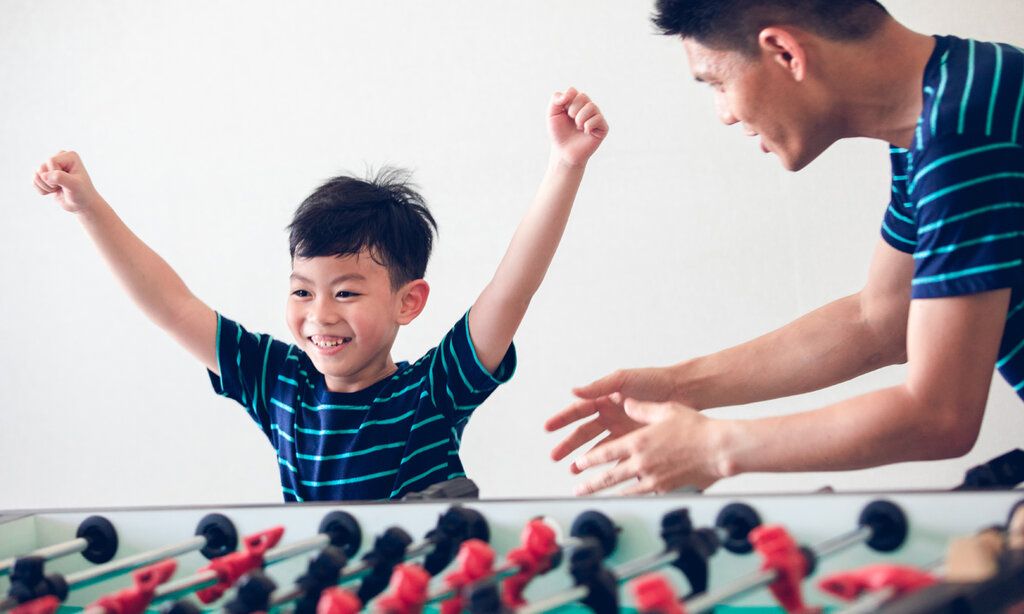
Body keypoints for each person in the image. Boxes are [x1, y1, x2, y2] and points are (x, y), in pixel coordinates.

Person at [34, 87, 608, 502]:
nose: (319, 315)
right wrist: (90, 208)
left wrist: (564, 164)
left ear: (408, 301)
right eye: (302, 291)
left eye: (347, 292)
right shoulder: (279, 383)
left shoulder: (431, 393)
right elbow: (171, 304)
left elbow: (512, 287)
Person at [546, 0, 1024, 496]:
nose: (725, 114)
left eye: (717, 82)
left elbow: (938, 415)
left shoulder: (966, 134)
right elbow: (880, 321)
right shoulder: (958, 98)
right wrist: (680, 389)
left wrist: (715, 448)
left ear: (785, 52)